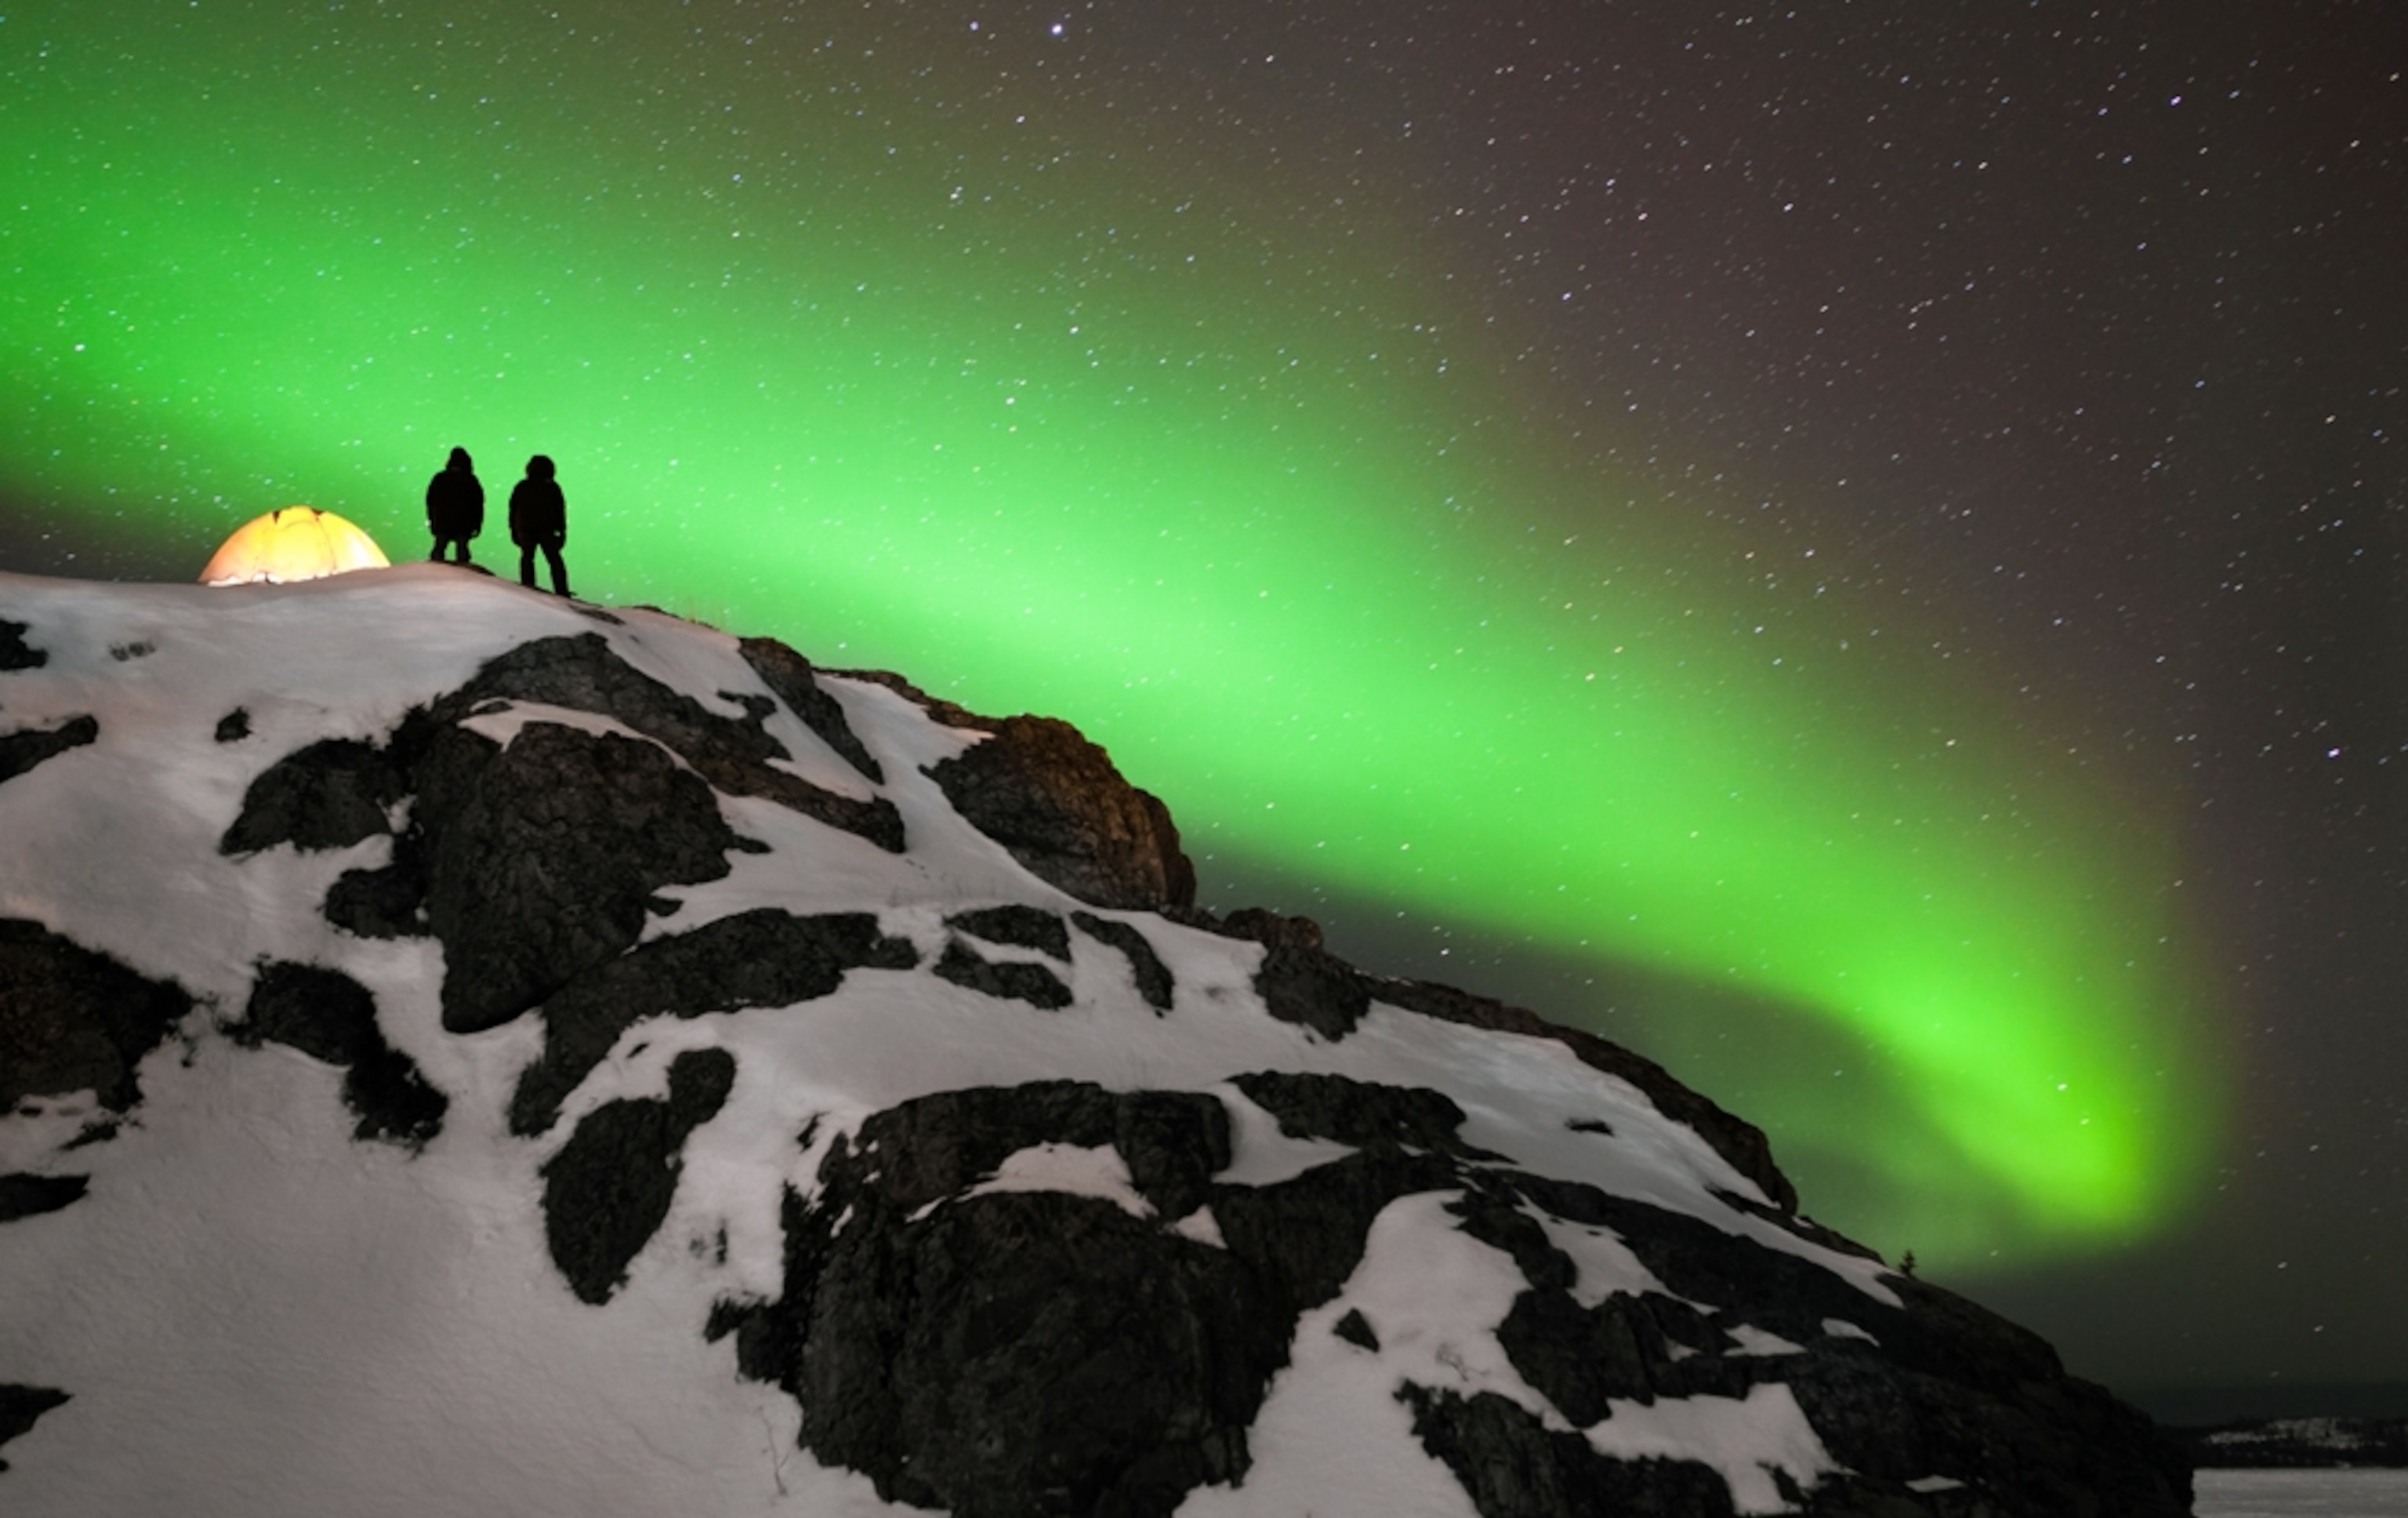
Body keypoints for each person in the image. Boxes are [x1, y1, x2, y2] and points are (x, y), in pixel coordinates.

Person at [509, 453, 571, 596]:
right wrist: (561, 532)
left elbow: (513, 509)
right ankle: (562, 590)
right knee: (555, 561)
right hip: (546, 529)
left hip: (526, 528)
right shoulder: (553, 487)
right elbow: (559, 511)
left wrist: (513, 529)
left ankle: (528, 587)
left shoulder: (522, 486)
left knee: (527, 558)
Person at [425, 447, 484, 563]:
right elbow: (478, 504)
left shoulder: (440, 478)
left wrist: (433, 519)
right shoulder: (471, 480)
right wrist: (477, 524)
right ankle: (465, 577)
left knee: (439, 549)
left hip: (443, 520)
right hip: (464, 522)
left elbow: (431, 501)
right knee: (462, 551)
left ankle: (433, 575)